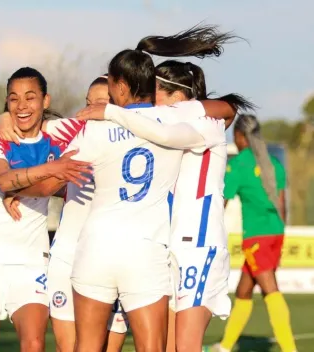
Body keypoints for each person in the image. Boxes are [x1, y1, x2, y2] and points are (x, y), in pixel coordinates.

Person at [77, 60, 254, 352]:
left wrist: (112, 112)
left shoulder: (204, 126)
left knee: (185, 346)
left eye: (155, 89)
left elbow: (201, 119)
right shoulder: (151, 124)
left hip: (198, 245)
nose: (148, 96)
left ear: (176, 96)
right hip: (167, 248)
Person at [0, 67, 92, 352]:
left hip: (31, 261)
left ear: (46, 101)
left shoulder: (61, 136)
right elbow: (5, 179)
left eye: (30, 98)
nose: (22, 106)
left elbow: (98, 119)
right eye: (14, 99)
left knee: (34, 343)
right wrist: (51, 169)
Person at [1, 74, 129, 352]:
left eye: (101, 103)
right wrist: (5, 117)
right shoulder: (74, 130)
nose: (90, 110)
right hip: (68, 255)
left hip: (116, 257)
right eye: (87, 103)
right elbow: (27, 120)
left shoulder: (135, 135)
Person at [214, 114, 297, 352]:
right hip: (275, 233)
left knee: (270, 289)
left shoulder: (238, 164)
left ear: (240, 137)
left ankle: (291, 349)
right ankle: (226, 346)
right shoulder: (273, 163)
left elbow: (223, 201)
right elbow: (283, 205)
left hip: (257, 236)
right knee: (244, 290)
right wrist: (279, 232)